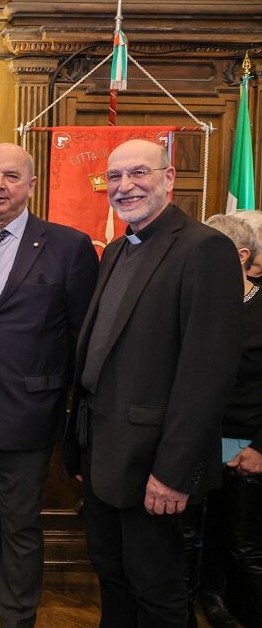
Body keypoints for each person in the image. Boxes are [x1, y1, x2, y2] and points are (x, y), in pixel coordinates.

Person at [64, 139, 243, 627]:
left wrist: (173, 472)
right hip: (103, 452)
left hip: (154, 465)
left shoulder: (205, 249)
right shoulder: (118, 248)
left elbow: (207, 374)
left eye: (138, 173)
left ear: (169, 178)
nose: (125, 186)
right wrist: (83, 447)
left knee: (158, 591)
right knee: (112, 574)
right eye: (115, 177)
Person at [0, 144, 98, 628]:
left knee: (21, 527)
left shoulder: (68, 245)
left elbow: (81, 337)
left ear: (30, 184)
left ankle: (19, 617)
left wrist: (69, 409)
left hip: (27, 412)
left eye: (10, 176)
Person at [189, 214, 262, 628]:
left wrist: (260, 448)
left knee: (240, 545)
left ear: (241, 257)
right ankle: (204, 598)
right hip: (196, 441)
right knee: (192, 538)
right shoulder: (198, 302)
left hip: (245, 447)